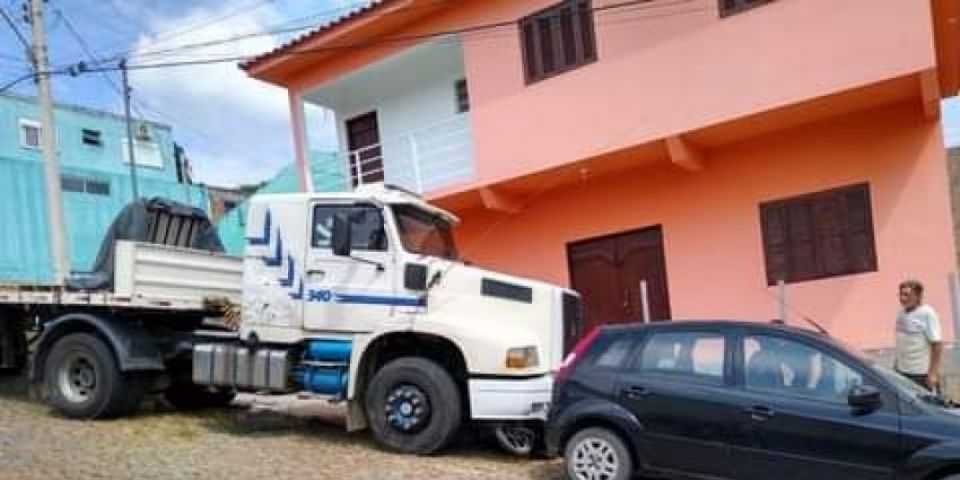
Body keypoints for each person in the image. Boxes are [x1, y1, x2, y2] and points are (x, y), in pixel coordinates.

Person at [895, 279, 943, 391]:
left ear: (918, 296)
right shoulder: (901, 314)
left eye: (907, 295)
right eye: (900, 294)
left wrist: (932, 373)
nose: (902, 298)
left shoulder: (927, 313)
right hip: (903, 373)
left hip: (921, 375)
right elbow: (902, 341)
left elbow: (937, 345)